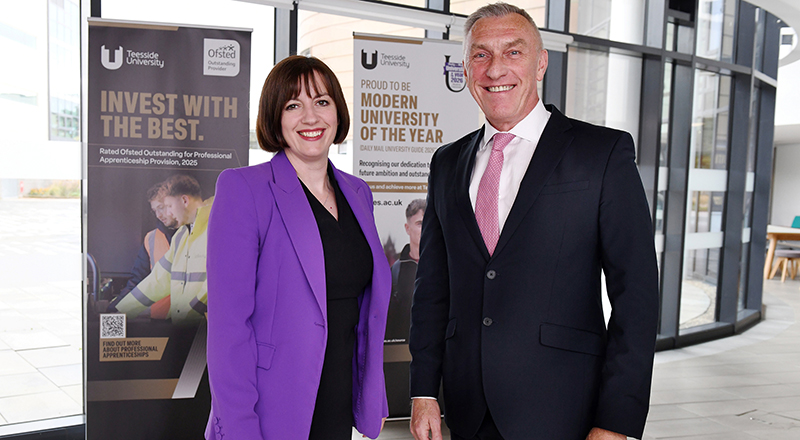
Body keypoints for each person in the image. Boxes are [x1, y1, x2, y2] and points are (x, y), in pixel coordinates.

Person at [409, 3, 659, 440]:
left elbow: (636, 298)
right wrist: (423, 391)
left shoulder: (601, 153)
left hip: (566, 410)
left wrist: (616, 421)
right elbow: (432, 288)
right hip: (468, 408)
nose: (495, 68)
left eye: (513, 52)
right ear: (466, 69)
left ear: (541, 62)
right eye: (481, 55)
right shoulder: (447, 163)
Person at [204, 55, 391, 440]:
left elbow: (362, 308)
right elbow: (227, 328)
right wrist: (239, 427)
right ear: (276, 118)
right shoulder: (244, 189)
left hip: (339, 397)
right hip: (272, 404)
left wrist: (372, 395)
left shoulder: (358, 192)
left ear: (337, 112)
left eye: (322, 102)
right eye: (293, 105)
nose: (310, 117)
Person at [108, 174, 212, 325]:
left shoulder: (218, 229)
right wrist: (121, 311)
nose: (168, 213)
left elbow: (218, 283)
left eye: (169, 206)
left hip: (204, 331)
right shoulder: (181, 236)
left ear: (184, 200)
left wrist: (189, 314)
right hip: (183, 327)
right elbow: (158, 280)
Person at [116, 181, 177, 318]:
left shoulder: (195, 235)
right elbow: (137, 281)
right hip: (159, 318)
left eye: (161, 208)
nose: (158, 215)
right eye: (155, 210)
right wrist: (113, 310)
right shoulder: (151, 238)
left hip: (191, 321)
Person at [385, 198, 425, 343]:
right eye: (420, 224)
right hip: (402, 354)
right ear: (407, 228)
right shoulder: (394, 272)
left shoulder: (445, 266)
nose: (426, 228)